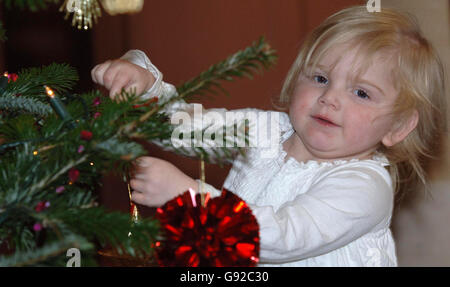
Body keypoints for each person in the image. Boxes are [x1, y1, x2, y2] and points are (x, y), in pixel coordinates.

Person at [90, 5, 447, 266]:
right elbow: (184, 127)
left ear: (398, 127)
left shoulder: (363, 187)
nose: (330, 98)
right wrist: (143, 83)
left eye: (362, 93)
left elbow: (279, 237)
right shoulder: (267, 131)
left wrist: (189, 196)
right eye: (321, 78)